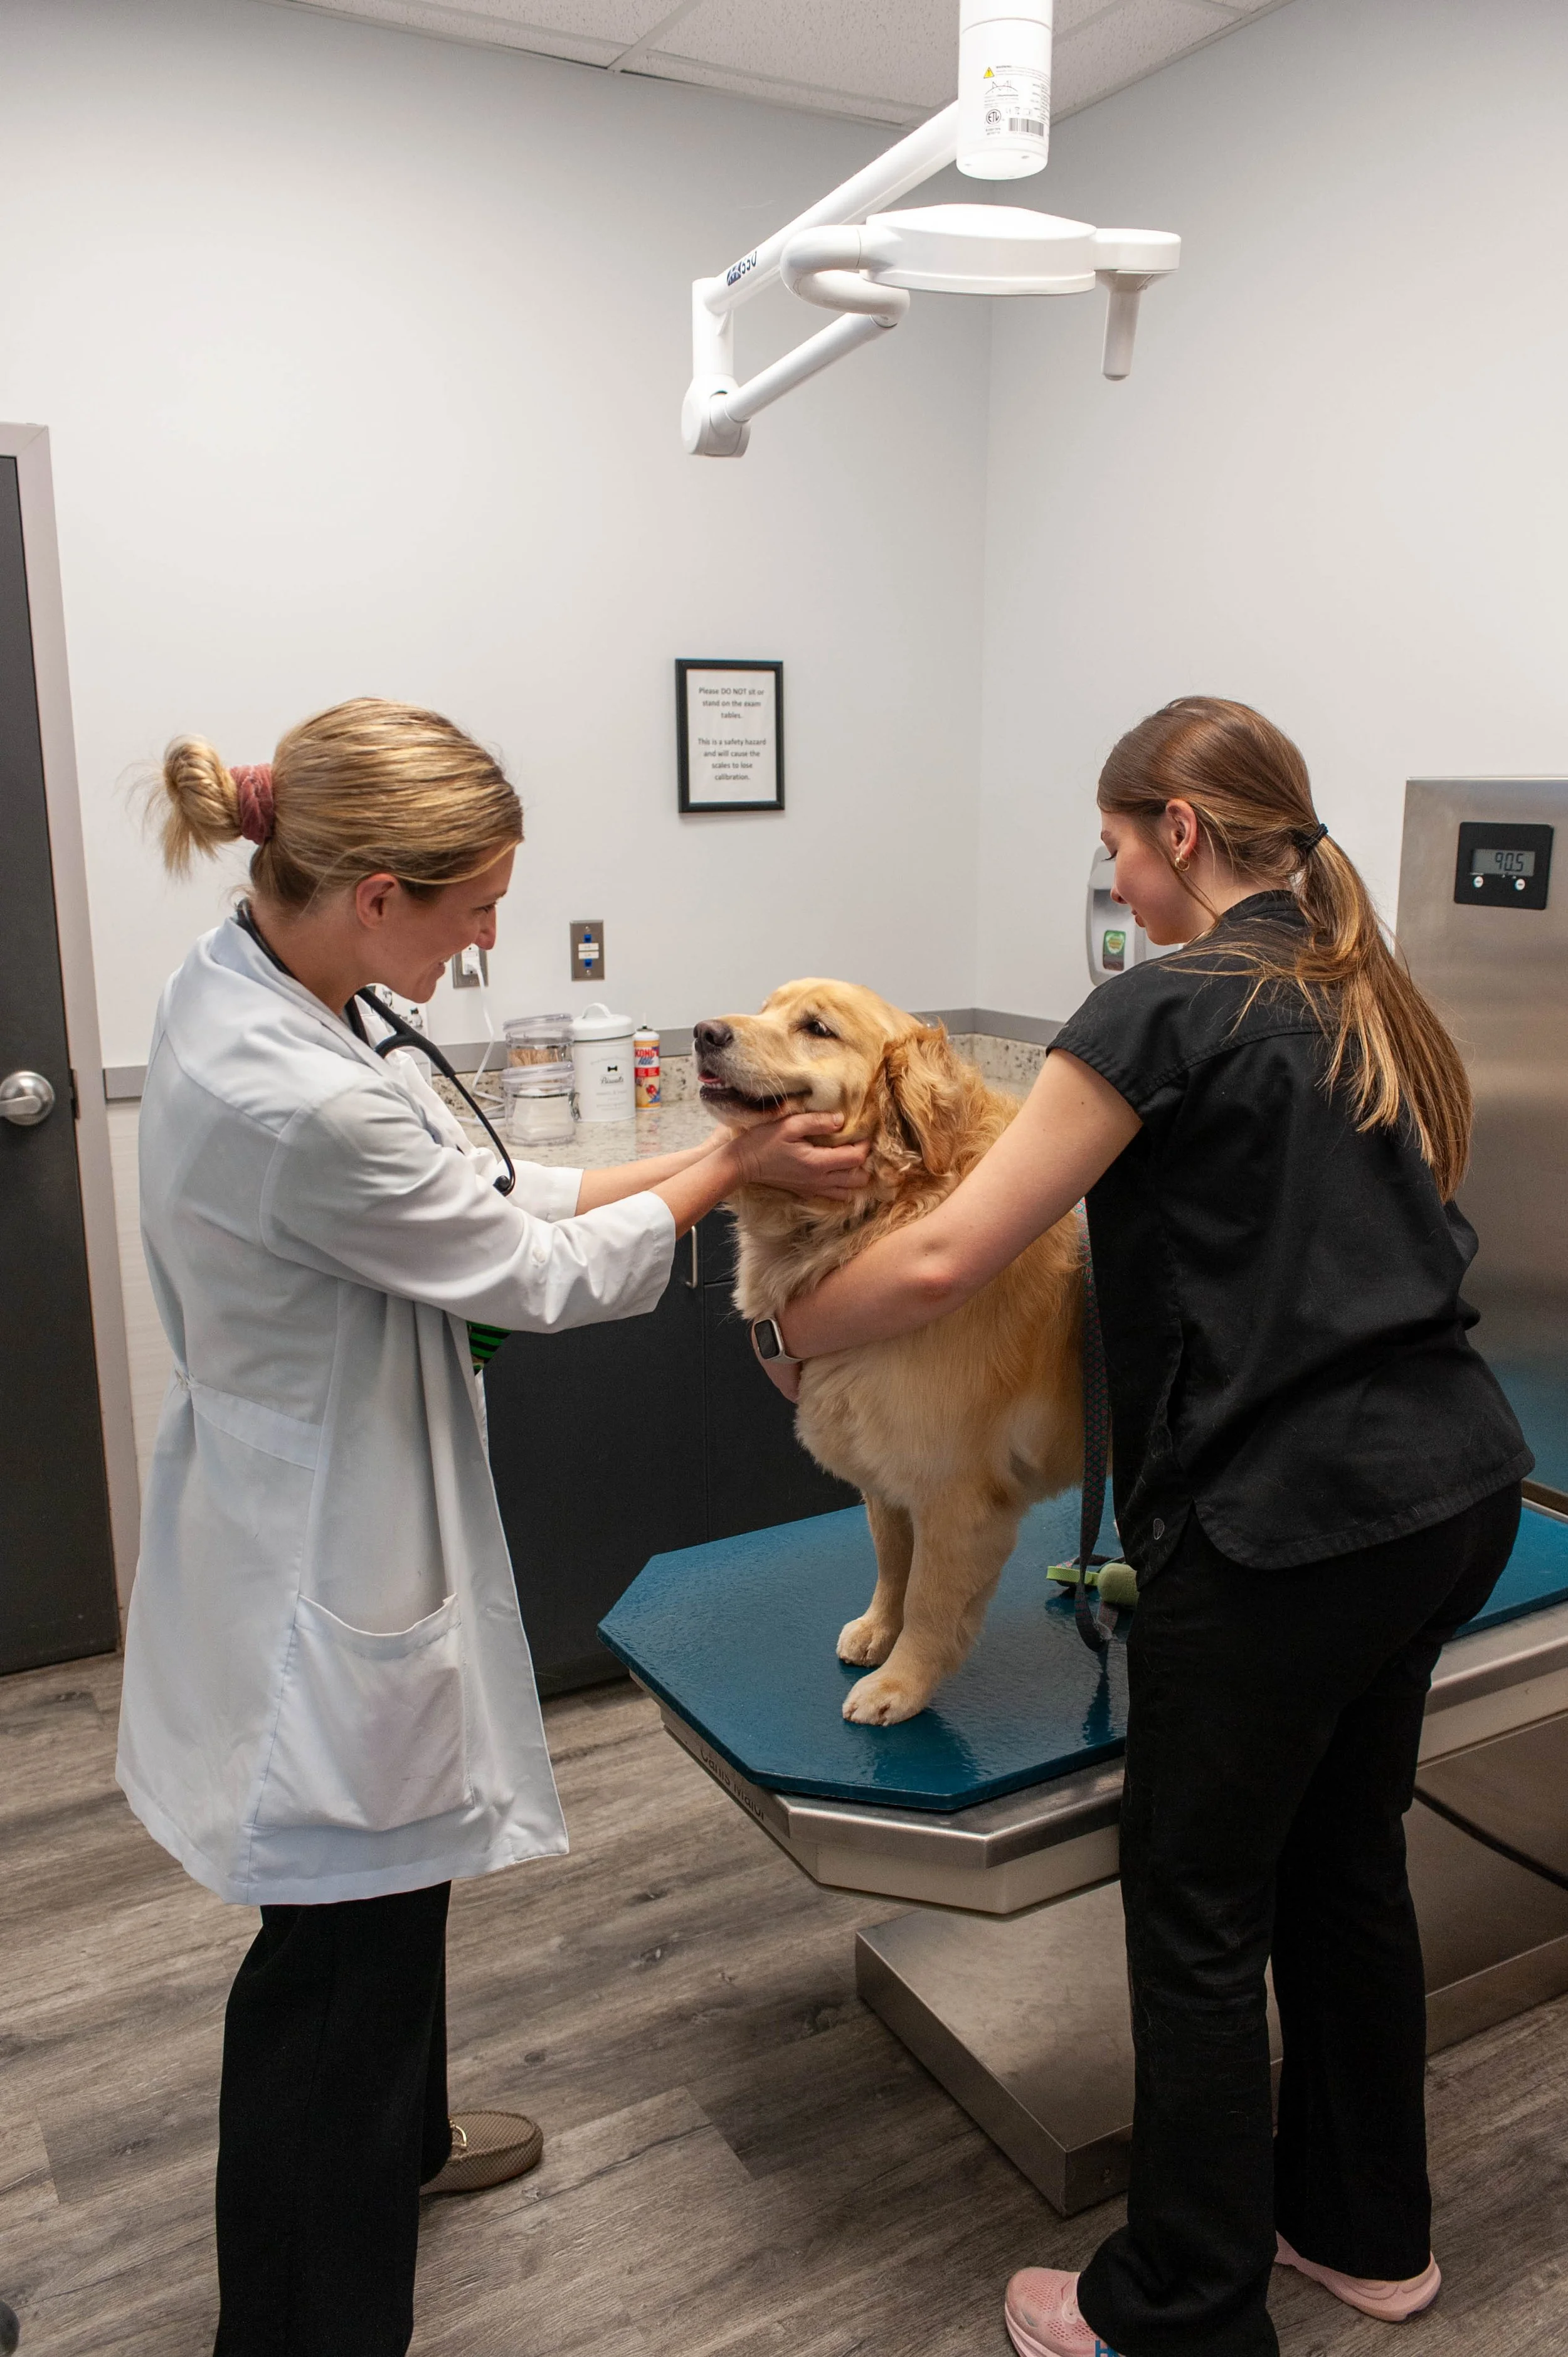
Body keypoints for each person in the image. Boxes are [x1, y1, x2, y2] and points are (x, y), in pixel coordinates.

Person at [751, 698, 1531, 2357]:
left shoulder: (1155, 1007)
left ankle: (1172, 2306)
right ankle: (1366, 2234)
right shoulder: (1359, 993)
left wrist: (794, 1329)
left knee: (1195, 1909)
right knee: (1341, 1869)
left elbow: (959, 1250)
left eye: (1112, 841)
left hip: (1285, 1530)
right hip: (1453, 1486)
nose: (1109, 873)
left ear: (1177, 828)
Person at [115, 698, 869, 2357]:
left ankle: (405, 2143)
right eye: (476, 905)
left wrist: (703, 1156)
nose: (490, 936)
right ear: (377, 890)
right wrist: (735, 1171)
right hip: (320, 1550)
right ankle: (309, 2317)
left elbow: (482, 1193)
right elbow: (529, 1272)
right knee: (334, 1973)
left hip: (325, 1491)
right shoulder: (298, 1091)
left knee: (393, 1917)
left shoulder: (266, 987)